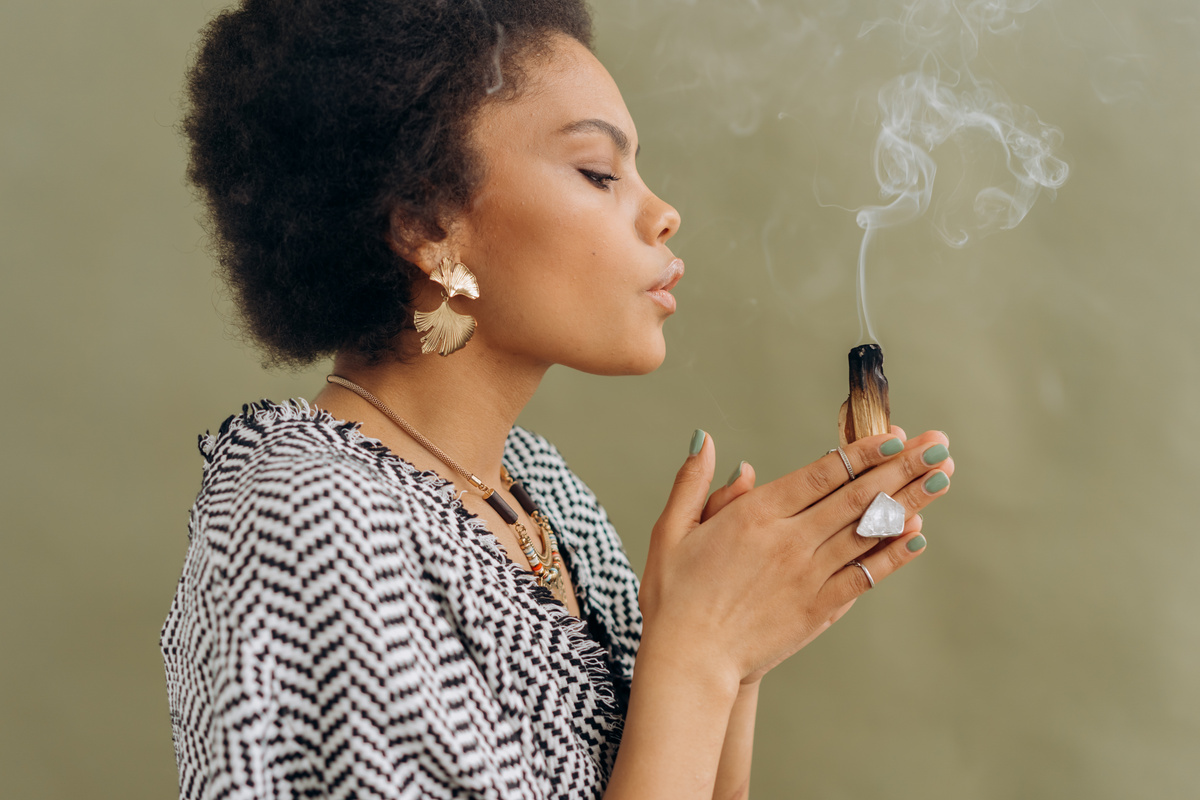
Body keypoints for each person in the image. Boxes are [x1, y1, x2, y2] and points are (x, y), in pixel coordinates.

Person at [160, 1, 955, 798]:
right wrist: (698, 651)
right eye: (599, 173)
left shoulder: (542, 495)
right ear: (429, 223)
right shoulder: (308, 514)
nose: (663, 213)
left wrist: (735, 652)